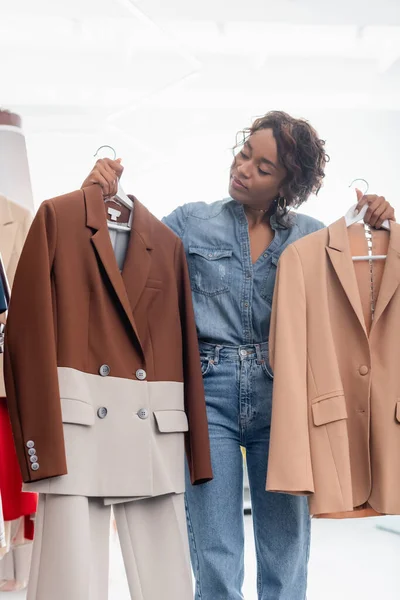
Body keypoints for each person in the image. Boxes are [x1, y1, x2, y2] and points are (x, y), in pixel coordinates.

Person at [81, 110, 395, 600]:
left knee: (285, 550)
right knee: (215, 549)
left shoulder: (316, 237)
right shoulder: (190, 223)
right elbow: (120, 269)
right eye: (245, 153)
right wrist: (95, 203)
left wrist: (378, 223)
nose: (243, 168)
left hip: (286, 399)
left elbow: (368, 289)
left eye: (263, 168)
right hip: (208, 397)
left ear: (288, 185)